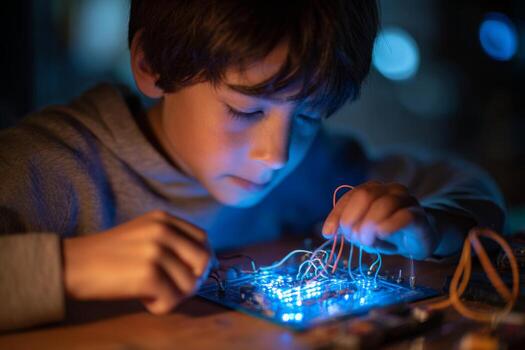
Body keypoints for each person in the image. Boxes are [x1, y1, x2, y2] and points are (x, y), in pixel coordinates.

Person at [0, 0, 505, 331]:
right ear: (153, 66)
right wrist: (71, 268)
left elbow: (474, 189)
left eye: (307, 116)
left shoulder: (316, 170)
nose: (277, 154)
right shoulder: (49, 168)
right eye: (247, 109)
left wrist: (433, 224)